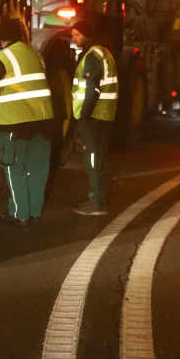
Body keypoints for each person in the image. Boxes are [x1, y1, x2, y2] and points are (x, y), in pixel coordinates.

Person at [0, 19, 55, 226]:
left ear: (2, 38)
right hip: (43, 121)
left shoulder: (1, 58)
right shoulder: (37, 56)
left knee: (14, 168)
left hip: (14, 122)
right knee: (37, 168)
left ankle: (18, 214)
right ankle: (34, 213)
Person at [70, 16, 118, 216]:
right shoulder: (105, 53)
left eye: (76, 34)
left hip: (93, 116)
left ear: (86, 35)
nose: (73, 38)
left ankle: (96, 203)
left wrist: (84, 114)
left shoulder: (91, 56)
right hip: (105, 114)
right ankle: (98, 198)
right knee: (99, 159)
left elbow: (93, 88)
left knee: (92, 159)